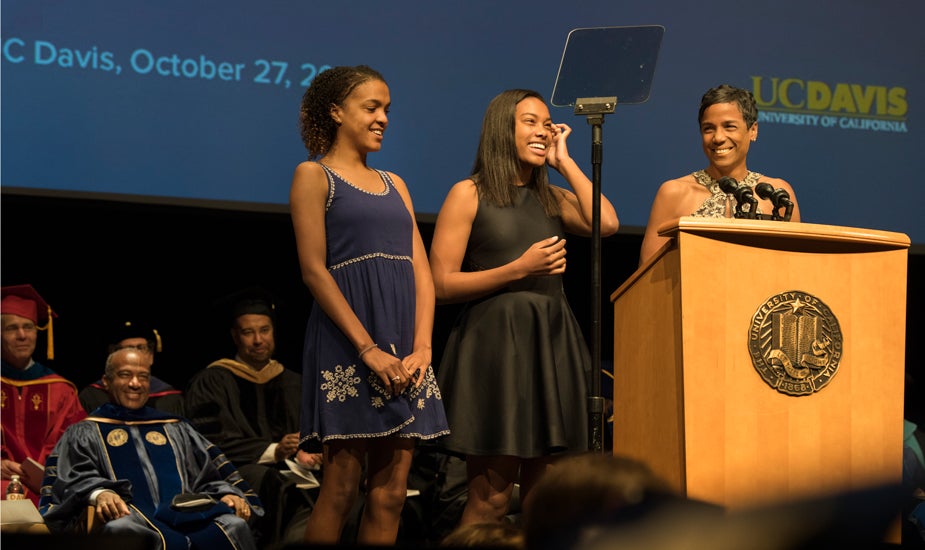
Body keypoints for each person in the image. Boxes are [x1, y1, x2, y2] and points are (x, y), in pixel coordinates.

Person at [428, 89, 619, 526]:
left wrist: (564, 161)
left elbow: (606, 223)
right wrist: (517, 269)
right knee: (491, 500)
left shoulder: (553, 197)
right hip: (496, 350)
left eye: (547, 123)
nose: (544, 130)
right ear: (503, 129)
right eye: (531, 121)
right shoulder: (470, 193)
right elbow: (440, 284)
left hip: (551, 345)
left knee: (546, 500)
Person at [290, 64, 449, 545]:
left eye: (387, 109)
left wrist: (422, 347)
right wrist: (367, 350)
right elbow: (315, 270)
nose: (383, 118)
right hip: (350, 342)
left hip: (405, 343)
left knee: (392, 493)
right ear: (337, 112)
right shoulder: (314, 175)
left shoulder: (395, 183)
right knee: (341, 487)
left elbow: (421, 270)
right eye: (371, 107)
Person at [39, 348, 262, 550]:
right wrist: (99, 493)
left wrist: (227, 493)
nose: (135, 383)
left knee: (233, 525)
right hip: (133, 519)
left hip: (188, 517)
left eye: (143, 376)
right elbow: (73, 478)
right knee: (120, 531)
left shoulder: (176, 428)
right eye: (125, 375)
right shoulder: (86, 432)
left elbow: (208, 475)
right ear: (106, 381)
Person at [185, 289, 318, 547]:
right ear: (235, 336)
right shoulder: (212, 381)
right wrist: (275, 450)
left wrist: (310, 448)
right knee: (275, 484)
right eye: (248, 333)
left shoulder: (295, 382)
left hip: (302, 470)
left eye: (265, 330)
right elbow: (211, 440)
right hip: (240, 470)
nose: (258, 340)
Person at [638, 84, 801, 265]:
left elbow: (794, 269)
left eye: (729, 126)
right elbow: (648, 275)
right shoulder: (674, 193)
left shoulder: (777, 194)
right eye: (708, 128)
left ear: (753, 130)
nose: (718, 138)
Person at [1, 284, 86, 504]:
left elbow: (75, 445)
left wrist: (43, 474)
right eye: (12, 328)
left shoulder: (61, 390)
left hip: (50, 487)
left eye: (28, 327)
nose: (22, 335)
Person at [79, 319, 185, 415]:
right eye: (129, 349)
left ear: (151, 356)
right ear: (113, 356)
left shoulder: (169, 397)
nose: (136, 354)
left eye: (141, 348)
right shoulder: (92, 395)